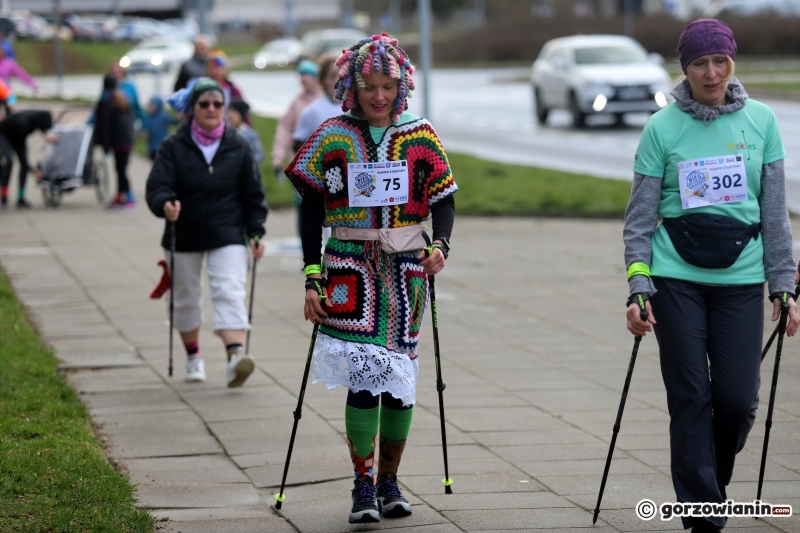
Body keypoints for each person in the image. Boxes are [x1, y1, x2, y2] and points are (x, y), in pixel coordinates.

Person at [623, 19, 800, 533]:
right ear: (685, 68)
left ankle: (710, 484)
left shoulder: (762, 121)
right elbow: (639, 221)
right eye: (699, 62)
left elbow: (774, 213)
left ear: (733, 62)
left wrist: (783, 285)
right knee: (691, 397)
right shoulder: (662, 128)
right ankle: (702, 511)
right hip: (675, 278)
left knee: (738, 401)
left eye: (720, 60)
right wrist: (639, 284)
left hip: (741, 280)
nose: (711, 72)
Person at [285, 34, 457, 524]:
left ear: (401, 85)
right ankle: (362, 485)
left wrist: (440, 246)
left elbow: (443, 198)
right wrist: (311, 274)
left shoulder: (421, 135)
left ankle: (390, 481)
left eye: (388, 86)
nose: (379, 97)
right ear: (351, 86)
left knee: (398, 381)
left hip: (407, 273)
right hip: (346, 271)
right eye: (369, 87)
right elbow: (311, 205)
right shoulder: (333, 135)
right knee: (364, 379)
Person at [146, 78, 268, 387]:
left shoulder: (237, 144)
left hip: (227, 231)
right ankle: (193, 357)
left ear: (225, 107)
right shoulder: (174, 145)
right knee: (185, 298)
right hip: (183, 232)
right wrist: (165, 204)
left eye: (218, 104)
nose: (212, 109)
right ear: (192, 109)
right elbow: (157, 186)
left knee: (229, 290)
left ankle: (235, 358)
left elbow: (253, 194)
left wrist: (256, 231)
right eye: (205, 104)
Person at [271, 59, 323, 181]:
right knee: (301, 199)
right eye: (301, 75)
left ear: (317, 78)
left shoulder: (328, 101)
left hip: (325, 165)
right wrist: (278, 158)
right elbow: (284, 130)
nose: (302, 79)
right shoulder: (297, 102)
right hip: (300, 167)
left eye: (306, 75)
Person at [93, 75, 136, 210]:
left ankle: (129, 197)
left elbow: (104, 126)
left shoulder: (106, 101)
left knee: (120, 170)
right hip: (127, 140)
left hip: (117, 141)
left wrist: (104, 145)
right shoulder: (122, 98)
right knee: (121, 169)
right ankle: (120, 195)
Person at [0, 110, 52, 209]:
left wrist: (47, 135)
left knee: (23, 166)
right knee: (9, 161)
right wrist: (33, 171)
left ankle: (21, 198)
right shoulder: (23, 124)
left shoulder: (36, 118)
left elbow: (44, 128)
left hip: (18, 136)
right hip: (3, 135)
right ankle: (4, 194)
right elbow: (21, 154)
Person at [227, 99, 263, 166]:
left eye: (234, 111)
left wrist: (247, 165)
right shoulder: (224, 132)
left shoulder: (250, 135)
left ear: (241, 115)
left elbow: (258, 155)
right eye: (229, 111)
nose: (230, 115)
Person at [145, 96, 178, 160]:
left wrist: (178, 117)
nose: (150, 106)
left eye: (152, 105)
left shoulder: (163, 116)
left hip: (162, 146)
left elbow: (174, 121)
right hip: (151, 147)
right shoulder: (148, 117)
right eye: (150, 105)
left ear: (158, 106)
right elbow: (144, 128)